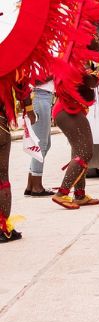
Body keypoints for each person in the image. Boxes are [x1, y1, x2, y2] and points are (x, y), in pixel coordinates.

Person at [52, 39, 99, 210]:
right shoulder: (77, 60)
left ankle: (79, 195)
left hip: (69, 111)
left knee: (78, 151)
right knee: (86, 152)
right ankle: (62, 193)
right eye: (96, 40)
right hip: (67, 112)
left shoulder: (80, 59)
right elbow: (91, 82)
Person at [1, 79, 34, 243]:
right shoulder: (8, 58)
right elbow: (22, 85)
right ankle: (2, 227)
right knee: (2, 177)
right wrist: (29, 110)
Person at [24, 77, 55, 196]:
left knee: (46, 145)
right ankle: (37, 186)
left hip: (45, 97)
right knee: (41, 144)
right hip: (40, 96)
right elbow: (33, 81)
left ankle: (30, 185)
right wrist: (54, 72)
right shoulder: (36, 58)